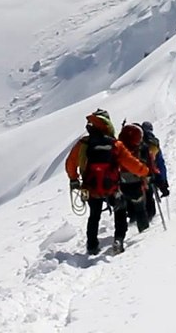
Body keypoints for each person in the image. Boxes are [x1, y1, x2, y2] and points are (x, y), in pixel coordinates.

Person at [66, 109, 149, 255]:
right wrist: (145, 171)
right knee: (120, 211)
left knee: (94, 215)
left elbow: (70, 162)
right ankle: (118, 239)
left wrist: (73, 179)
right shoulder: (115, 144)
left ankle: (92, 245)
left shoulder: (84, 143)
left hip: (91, 187)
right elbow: (131, 164)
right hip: (112, 186)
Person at [115, 123, 153, 248]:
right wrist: (147, 172)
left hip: (117, 185)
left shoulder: (115, 146)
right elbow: (134, 165)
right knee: (140, 209)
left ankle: (119, 238)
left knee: (120, 213)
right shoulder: (137, 148)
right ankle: (145, 236)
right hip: (135, 183)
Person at [140, 121, 169, 221]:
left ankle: (138, 216)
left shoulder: (138, 141)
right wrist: (163, 181)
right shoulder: (153, 143)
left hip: (138, 170)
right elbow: (160, 163)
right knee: (149, 193)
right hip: (151, 171)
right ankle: (149, 216)